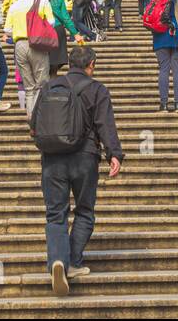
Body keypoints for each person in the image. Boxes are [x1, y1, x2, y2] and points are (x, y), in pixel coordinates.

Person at [29, 45, 124, 295]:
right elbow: (105, 124)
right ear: (91, 64)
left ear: (69, 63)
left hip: (53, 159)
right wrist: (115, 154)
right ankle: (71, 261)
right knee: (84, 211)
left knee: (55, 214)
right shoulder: (97, 89)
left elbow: (34, 125)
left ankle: (58, 261)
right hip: (85, 158)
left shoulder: (50, 87)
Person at [6, 0, 56, 115]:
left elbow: (7, 30)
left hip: (20, 44)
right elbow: (51, 22)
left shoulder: (15, 5)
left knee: (28, 88)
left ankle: (31, 119)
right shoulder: (42, 1)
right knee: (41, 84)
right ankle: (40, 119)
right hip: (38, 43)